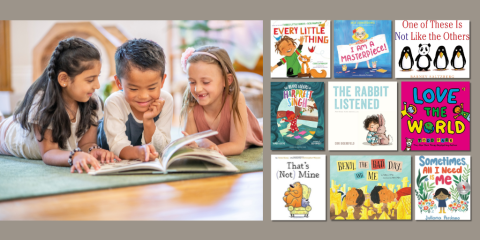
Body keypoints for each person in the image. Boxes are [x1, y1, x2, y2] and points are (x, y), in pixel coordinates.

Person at [0, 37, 119, 173]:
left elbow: (85, 144)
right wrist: (74, 156)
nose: (97, 85)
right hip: (7, 135)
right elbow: (49, 153)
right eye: (90, 79)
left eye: (97, 77)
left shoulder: (92, 101)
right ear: (64, 79)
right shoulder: (43, 102)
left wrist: (94, 150)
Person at [97, 39, 173, 162]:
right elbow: (116, 146)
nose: (143, 96)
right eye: (133, 88)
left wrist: (148, 121)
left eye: (152, 88)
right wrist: (139, 152)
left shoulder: (166, 100)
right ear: (119, 83)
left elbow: (161, 148)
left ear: (162, 81)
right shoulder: (114, 102)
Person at [180, 46, 263, 156]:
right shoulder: (191, 104)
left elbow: (237, 146)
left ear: (226, 80)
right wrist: (200, 143)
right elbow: (190, 141)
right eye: (192, 82)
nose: (197, 89)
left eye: (205, 82)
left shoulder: (236, 98)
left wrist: (210, 150)